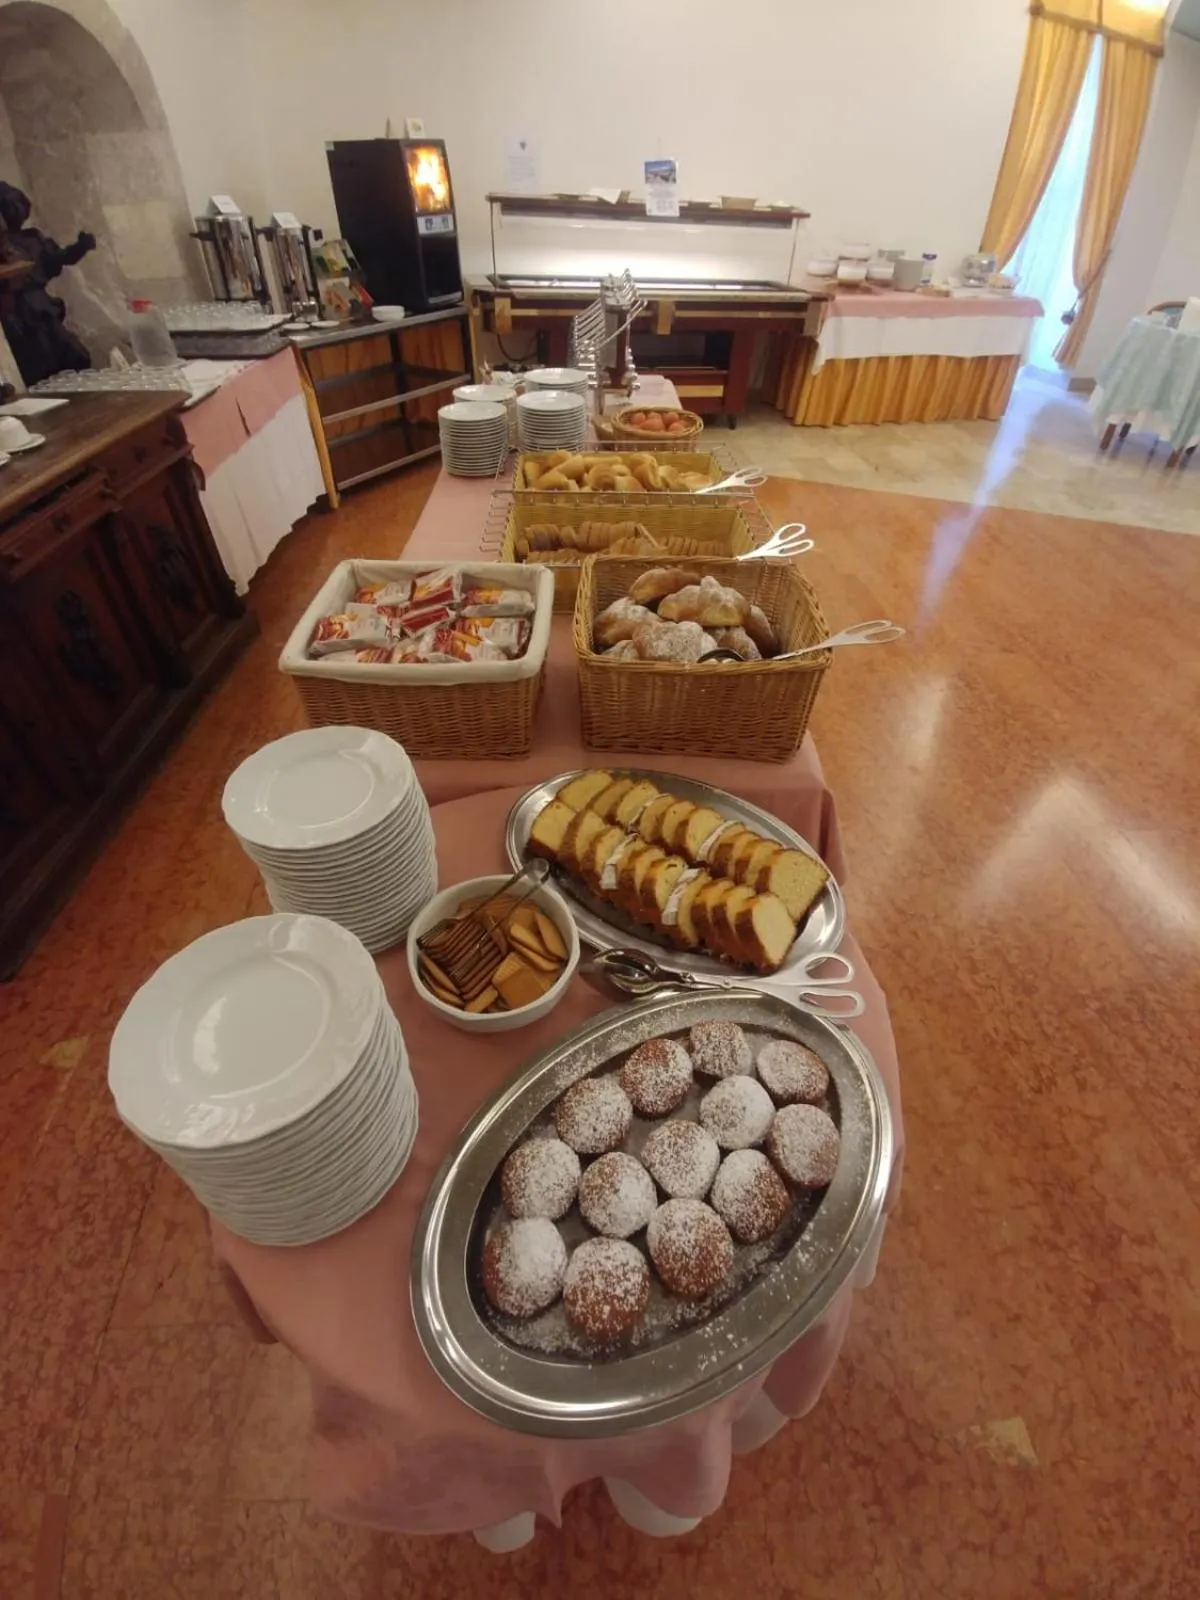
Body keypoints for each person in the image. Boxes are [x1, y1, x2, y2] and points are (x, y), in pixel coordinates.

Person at [0, 181, 95, 384]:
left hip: (42, 306)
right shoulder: (4, 245)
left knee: (74, 356)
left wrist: (80, 247)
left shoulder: (32, 238)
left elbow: (57, 259)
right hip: (17, 312)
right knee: (38, 365)